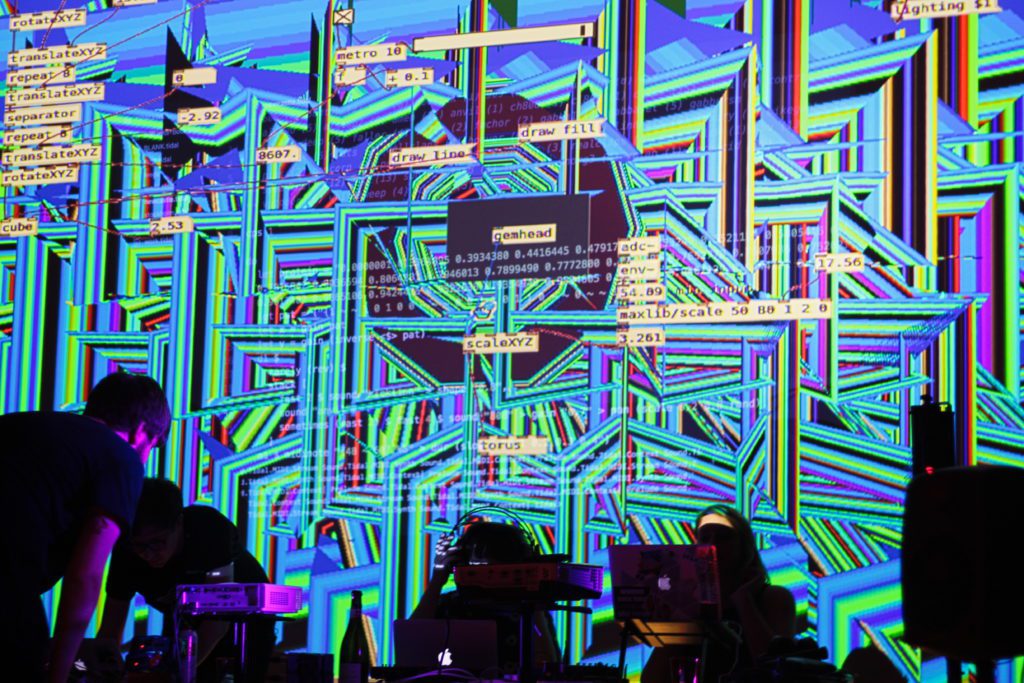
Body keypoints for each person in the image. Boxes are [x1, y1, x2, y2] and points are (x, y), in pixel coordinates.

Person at [0, 372, 171, 683]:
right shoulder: (121, 457)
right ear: (140, 431)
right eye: (154, 444)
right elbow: (85, 576)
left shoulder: (18, 425)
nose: (146, 458)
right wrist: (58, 672)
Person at [98, 477, 275, 682]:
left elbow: (218, 621)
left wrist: (172, 675)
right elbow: (111, 629)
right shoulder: (126, 551)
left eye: (158, 542)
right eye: (139, 545)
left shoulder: (209, 529)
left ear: (179, 523)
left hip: (245, 623)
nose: (148, 554)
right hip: (183, 618)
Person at [640, 505, 796, 683]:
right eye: (705, 537)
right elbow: (651, 679)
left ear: (744, 547)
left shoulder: (774, 598)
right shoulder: (691, 604)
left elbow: (778, 668)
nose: (712, 544)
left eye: (723, 537)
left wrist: (744, 600)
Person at [411, 520, 560, 672]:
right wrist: (437, 580)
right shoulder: (449, 605)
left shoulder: (527, 609)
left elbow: (547, 667)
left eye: (499, 571)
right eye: (480, 570)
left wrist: (533, 595)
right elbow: (410, 643)